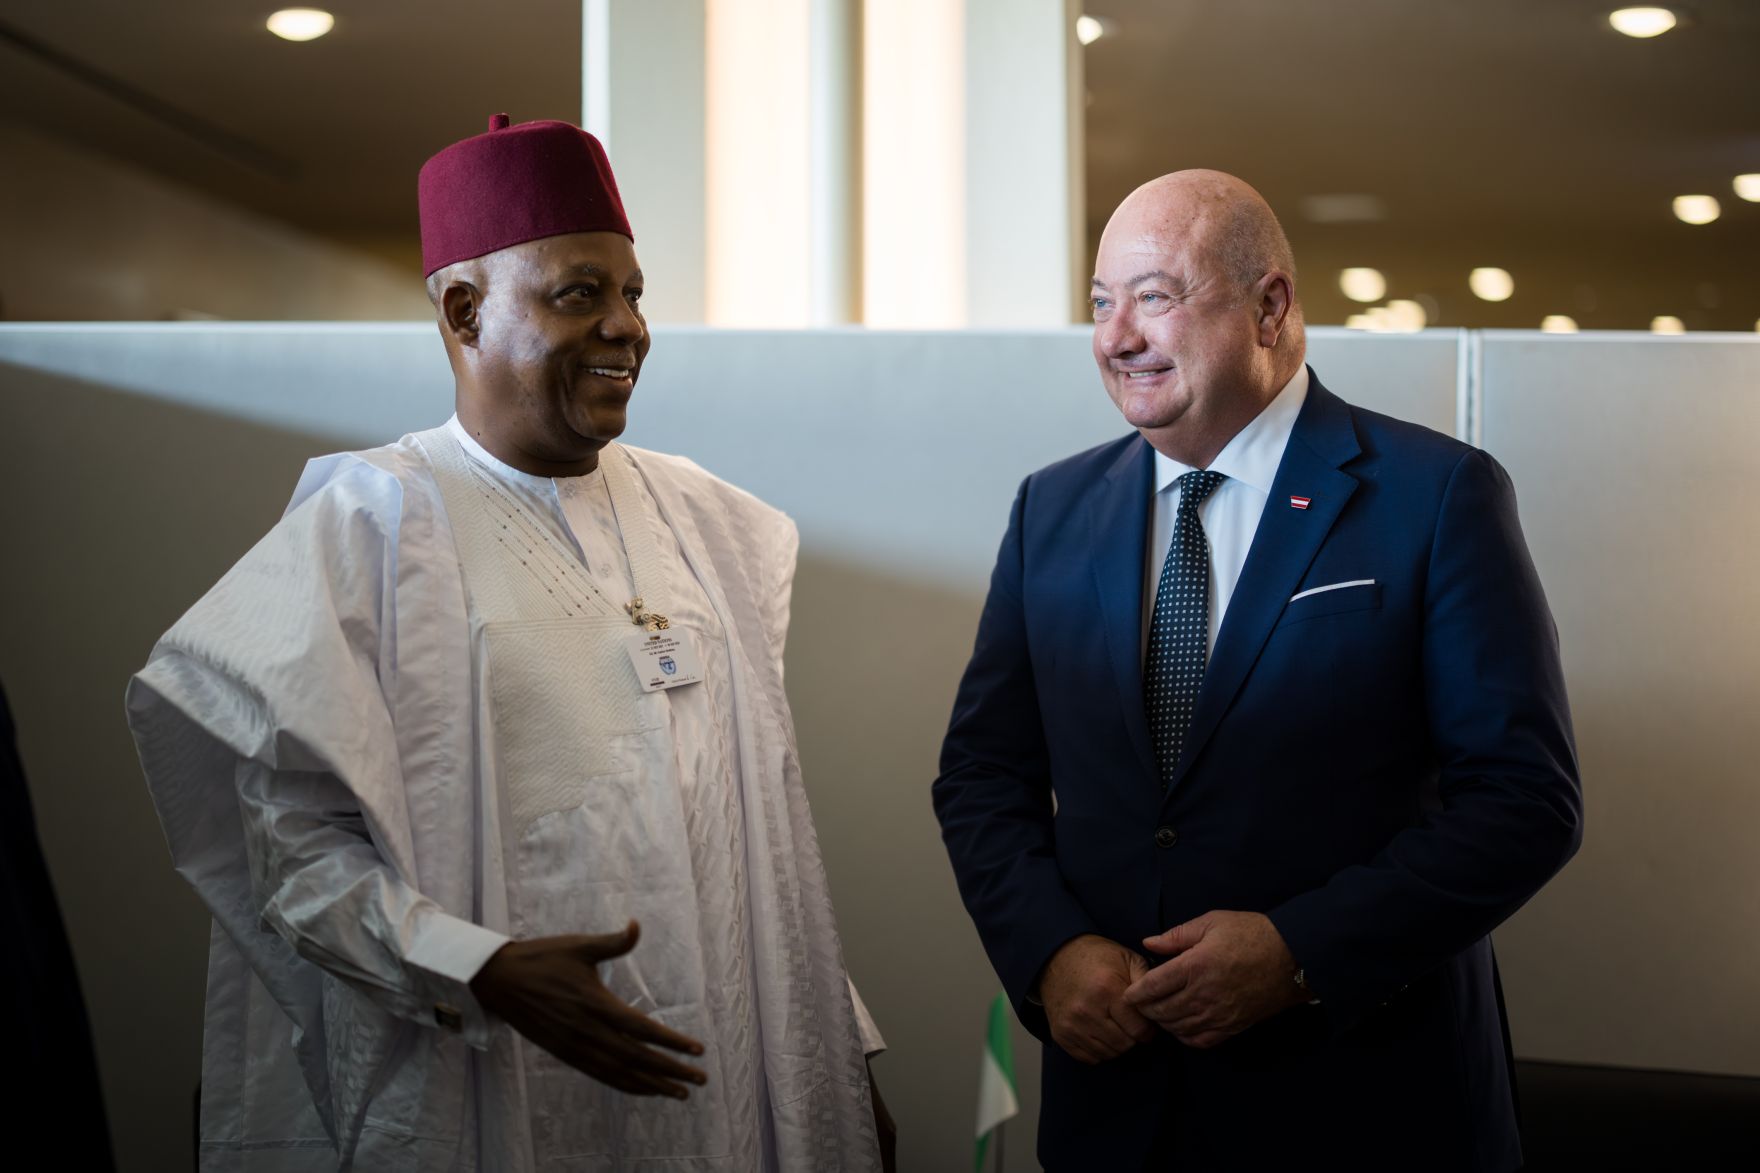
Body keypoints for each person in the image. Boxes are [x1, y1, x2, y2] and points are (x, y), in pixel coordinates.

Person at [126, 114, 890, 1172]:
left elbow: (760, 830)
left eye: (632, 294)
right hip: (490, 1074)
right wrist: (476, 967)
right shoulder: (371, 523)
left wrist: (840, 1052)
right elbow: (288, 849)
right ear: (462, 309)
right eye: (581, 293)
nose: (627, 327)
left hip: (726, 1085)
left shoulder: (711, 523)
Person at [932, 170, 1581, 1172]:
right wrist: (1048, 950)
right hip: (1120, 1106)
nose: (1112, 337)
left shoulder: (1434, 495)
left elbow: (1523, 802)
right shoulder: (1052, 510)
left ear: (1267, 306)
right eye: (1099, 304)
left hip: (1362, 1102)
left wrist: (1299, 952)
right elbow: (982, 774)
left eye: (1152, 295)